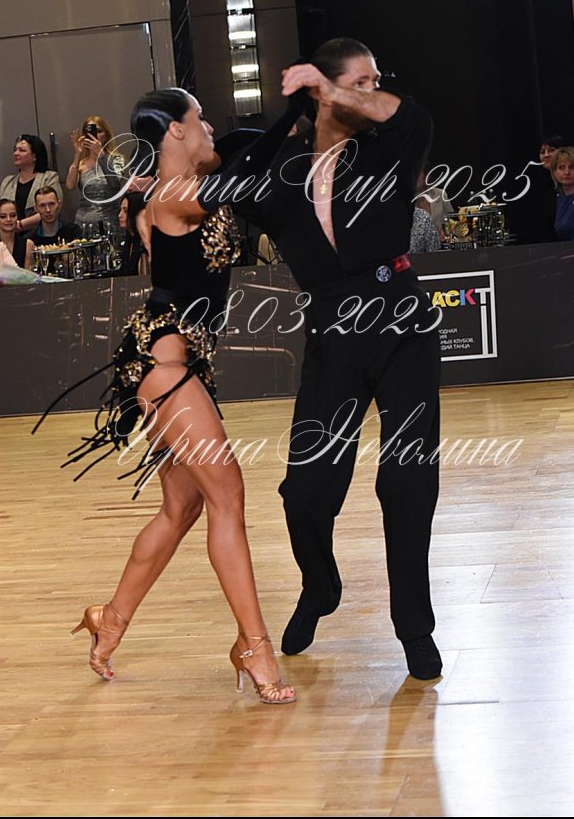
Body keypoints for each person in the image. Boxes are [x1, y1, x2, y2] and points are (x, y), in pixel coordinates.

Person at [34, 88, 295, 704]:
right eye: (199, 119)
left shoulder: (174, 184)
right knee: (227, 493)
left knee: (182, 508)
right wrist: (296, 111)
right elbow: (245, 167)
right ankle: (255, 646)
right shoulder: (175, 195)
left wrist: (292, 116)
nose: (209, 128)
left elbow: (239, 149)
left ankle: (109, 619)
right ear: (174, 131)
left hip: (186, 362)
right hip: (162, 361)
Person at [226, 38, 443, 680]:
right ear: (320, 88)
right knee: (305, 493)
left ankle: (414, 627)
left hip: (401, 321)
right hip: (333, 331)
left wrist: (337, 93)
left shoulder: (386, 149)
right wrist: (294, 117)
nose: (373, 92)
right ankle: (320, 586)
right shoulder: (286, 169)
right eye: (361, 81)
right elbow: (234, 189)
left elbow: (414, 118)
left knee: (406, 480)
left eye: (374, 81)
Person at [66, 115, 124, 233]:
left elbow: (115, 184)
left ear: (106, 136)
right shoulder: (81, 163)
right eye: (90, 131)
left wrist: (100, 154)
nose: (95, 135)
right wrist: (78, 154)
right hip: (83, 223)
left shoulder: (115, 159)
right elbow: (70, 185)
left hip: (108, 223)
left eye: (99, 131)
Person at [0, 135, 62, 233]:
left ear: (35, 156)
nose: (16, 153)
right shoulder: (7, 182)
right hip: (10, 235)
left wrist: (20, 224)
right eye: (15, 150)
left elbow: (53, 209)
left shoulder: (49, 178)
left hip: (40, 233)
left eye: (22, 150)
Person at [0, 199, 34, 270]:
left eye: (13, 215)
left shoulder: (28, 245)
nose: (8, 219)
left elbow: (29, 275)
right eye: (3, 216)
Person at [117, 192, 149, 276]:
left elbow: (144, 278)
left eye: (125, 211)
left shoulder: (144, 243)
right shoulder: (130, 238)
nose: (119, 215)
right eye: (120, 210)